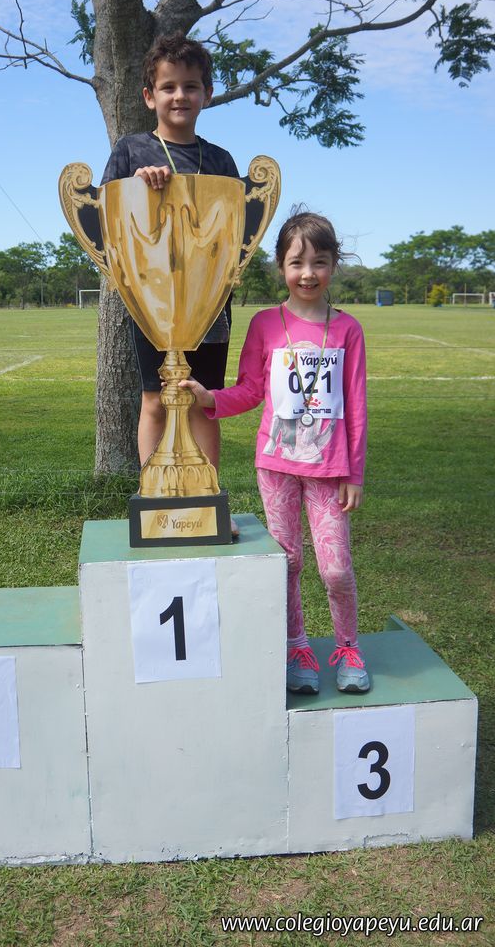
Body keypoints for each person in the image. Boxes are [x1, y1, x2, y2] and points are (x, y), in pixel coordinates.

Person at [180, 211, 370, 695]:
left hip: (329, 470)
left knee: (335, 568)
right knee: (286, 563)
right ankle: (296, 647)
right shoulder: (265, 324)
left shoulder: (348, 330)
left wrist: (355, 473)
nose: (308, 273)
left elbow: (356, 406)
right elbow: (249, 390)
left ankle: (348, 646)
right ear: (281, 266)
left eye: (320, 262)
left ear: (334, 265)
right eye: (296, 262)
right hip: (277, 468)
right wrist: (209, 398)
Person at [101, 33, 239, 531]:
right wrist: (138, 187)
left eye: (191, 86)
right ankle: (155, 502)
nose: (180, 96)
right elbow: (108, 218)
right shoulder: (131, 150)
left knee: (203, 401)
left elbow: (234, 236)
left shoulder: (220, 161)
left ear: (207, 94)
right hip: (152, 304)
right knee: (156, 400)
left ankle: (207, 501)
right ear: (149, 96)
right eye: (168, 87)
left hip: (209, 305)